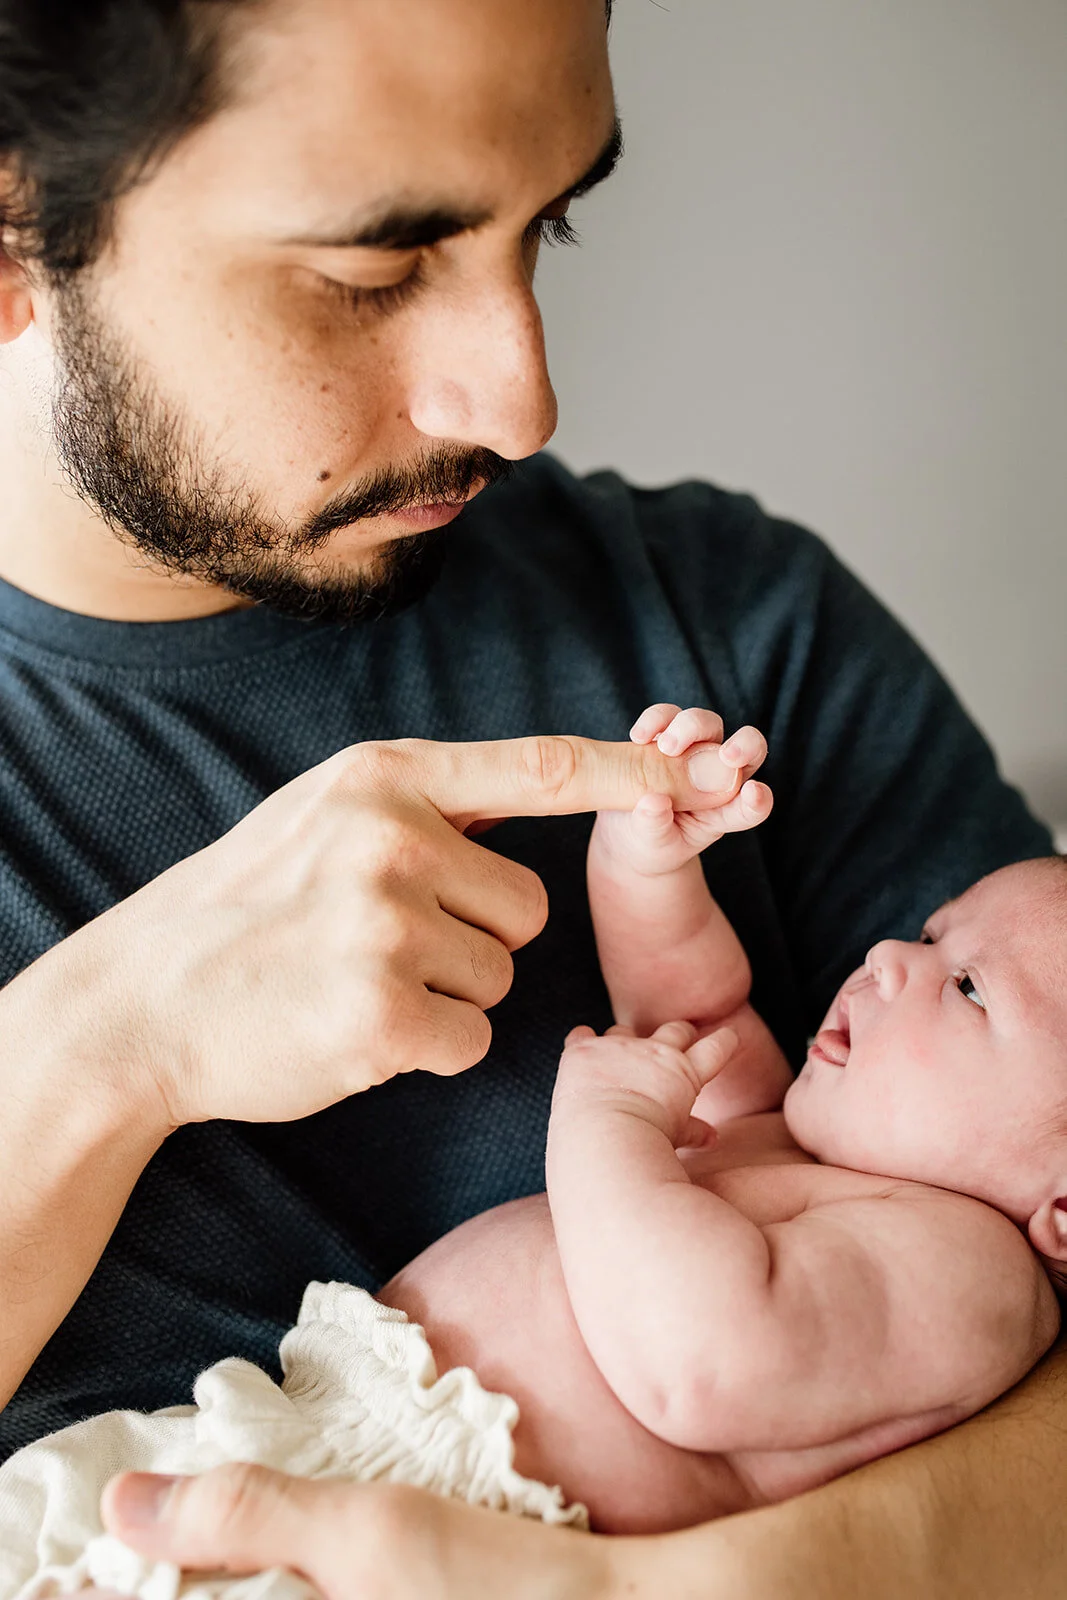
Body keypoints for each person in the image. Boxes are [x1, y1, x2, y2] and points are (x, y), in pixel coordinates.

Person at [0, 0, 1062, 1595]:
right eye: (371, 270)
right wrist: (107, 1046)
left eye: (548, 223)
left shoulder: (726, 623)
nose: (519, 403)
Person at [2, 708, 1061, 1599]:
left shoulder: (970, 1272)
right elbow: (689, 1008)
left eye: (967, 988)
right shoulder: (802, 1143)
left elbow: (704, 1359)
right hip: (284, 1436)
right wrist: (645, 861)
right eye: (929, 933)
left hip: (427, 1523)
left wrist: (607, 1131)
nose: (888, 958)